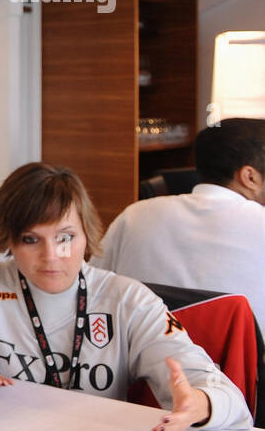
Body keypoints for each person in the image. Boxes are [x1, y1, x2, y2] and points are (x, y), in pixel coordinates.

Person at [0, 163, 251, 431]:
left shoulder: (129, 300)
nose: (51, 256)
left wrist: (201, 404)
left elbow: (231, 403)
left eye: (66, 237)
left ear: (87, 234)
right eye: (31, 240)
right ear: (9, 242)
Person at [95, 119, 265, 325]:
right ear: (250, 177)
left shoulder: (136, 214)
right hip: (240, 356)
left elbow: (92, 287)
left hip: (146, 353)